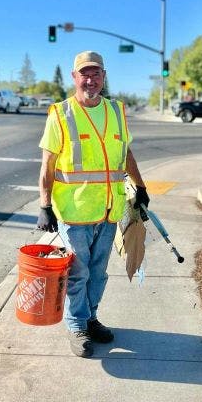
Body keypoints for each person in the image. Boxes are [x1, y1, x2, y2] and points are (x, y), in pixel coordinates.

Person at [37, 51, 149, 358]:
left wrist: (140, 187)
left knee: (98, 272)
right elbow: (48, 165)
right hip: (74, 213)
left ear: (103, 76)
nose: (91, 79)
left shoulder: (116, 111)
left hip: (109, 210)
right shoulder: (61, 114)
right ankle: (76, 326)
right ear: (75, 78)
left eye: (96, 73)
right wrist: (44, 205)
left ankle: (90, 317)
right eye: (84, 74)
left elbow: (126, 153)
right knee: (78, 272)